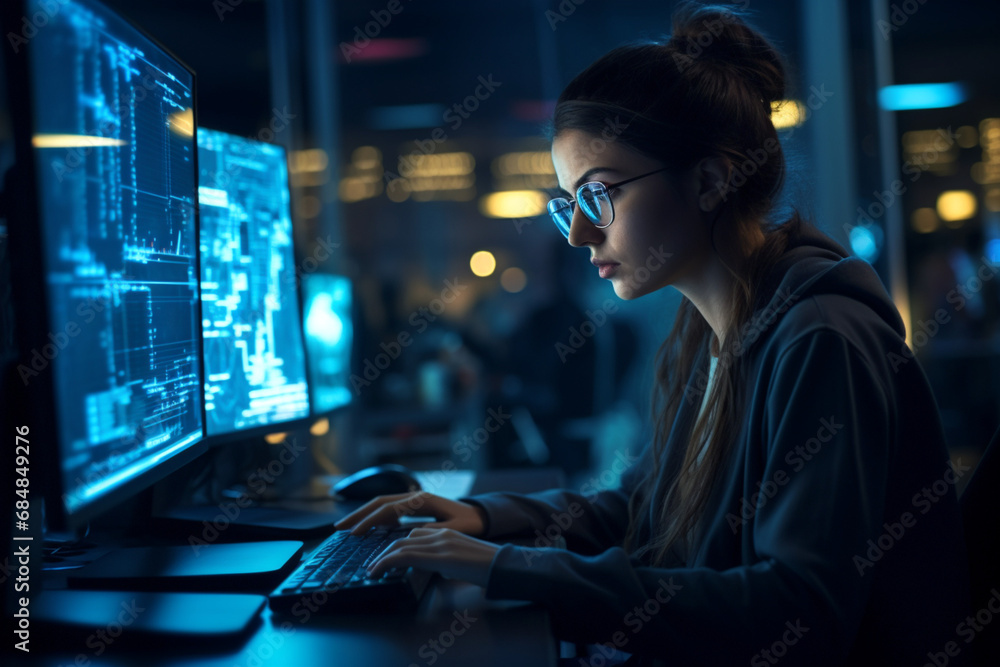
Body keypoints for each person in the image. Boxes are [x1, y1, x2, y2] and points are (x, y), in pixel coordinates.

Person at [336, 3, 971, 664]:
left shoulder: (820, 338)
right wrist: (486, 520)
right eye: (569, 204)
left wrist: (511, 568)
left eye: (598, 195)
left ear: (708, 180)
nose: (580, 232)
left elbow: (797, 613)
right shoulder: (713, 332)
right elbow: (639, 505)